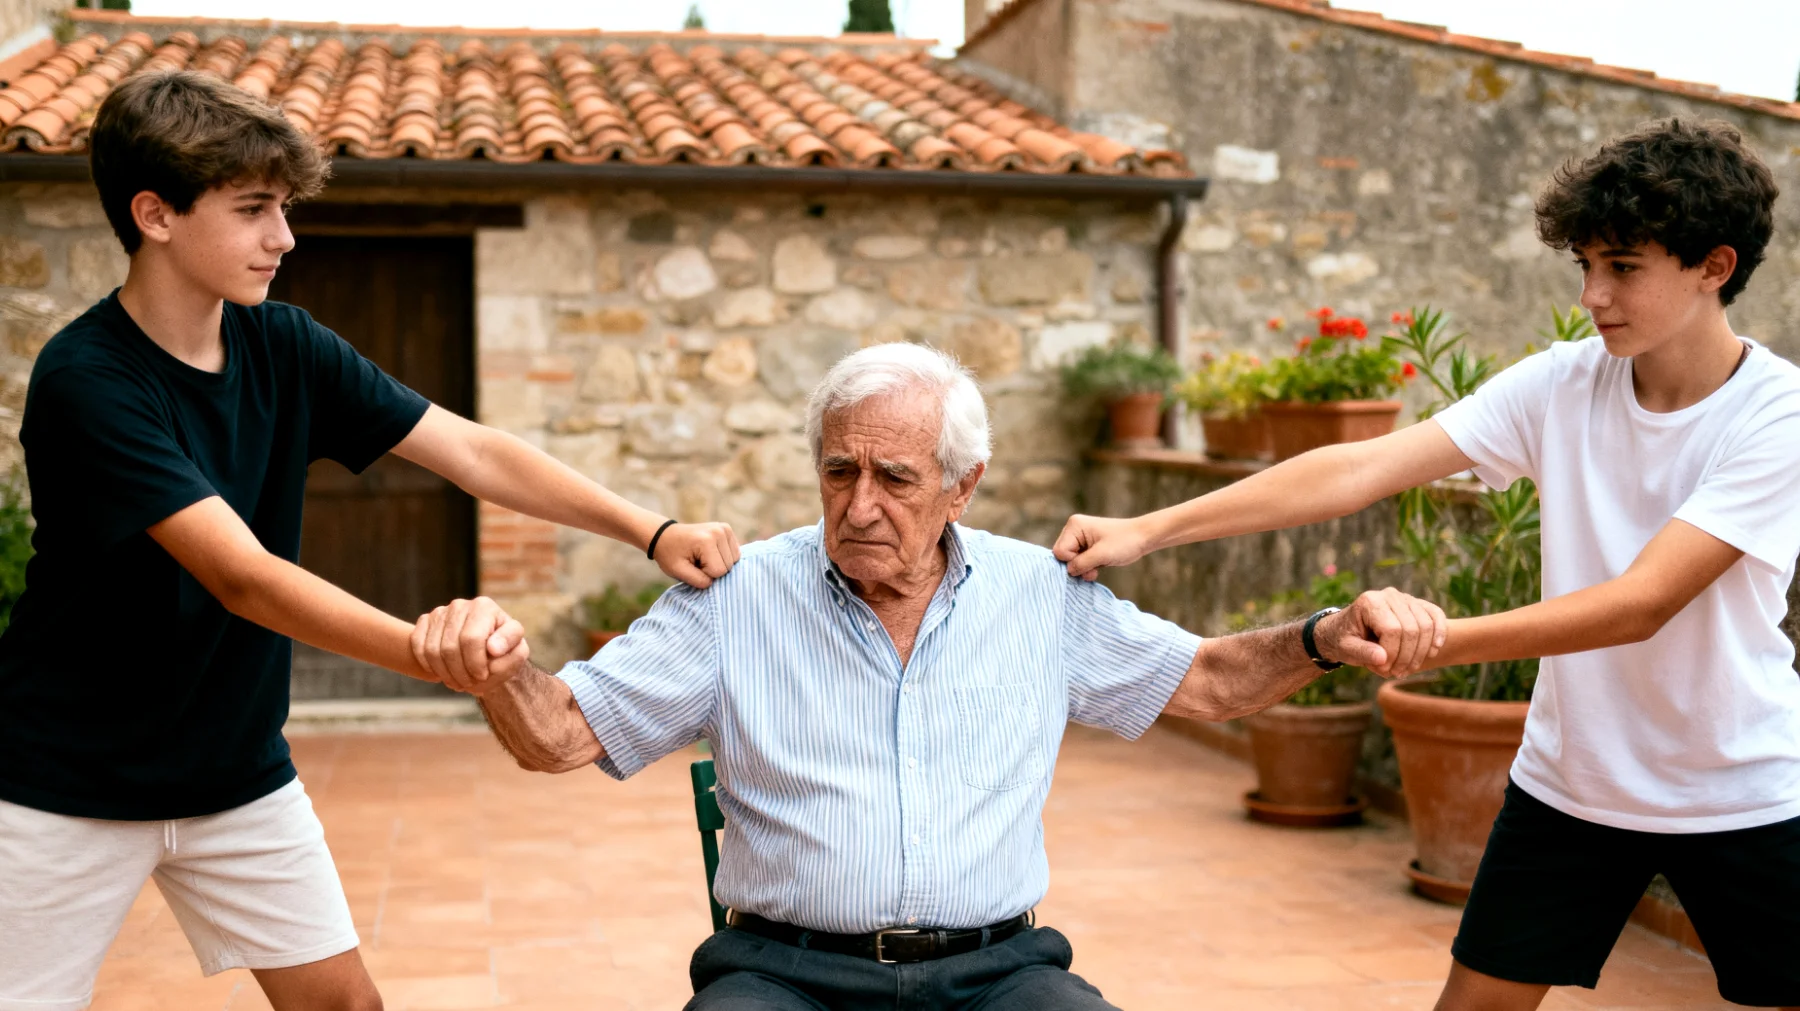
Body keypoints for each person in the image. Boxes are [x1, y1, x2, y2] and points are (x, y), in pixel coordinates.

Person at [409, 342, 1449, 1011]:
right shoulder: (735, 596)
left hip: (999, 973)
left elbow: (1213, 683)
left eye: (895, 479)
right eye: (838, 471)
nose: (859, 505)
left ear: (963, 486)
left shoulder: (1038, 595)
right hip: (781, 976)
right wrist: (498, 667)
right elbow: (559, 734)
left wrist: (1322, 634)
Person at [0, 70, 738, 1011]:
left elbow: (470, 448)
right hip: (64, 780)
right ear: (155, 214)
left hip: (234, 772)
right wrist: (436, 655)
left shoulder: (284, 343)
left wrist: (651, 528)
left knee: (347, 1008)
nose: (286, 236)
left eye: (286, 207)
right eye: (255, 209)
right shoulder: (88, 378)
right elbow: (245, 577)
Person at [1052, 119, 1800, 1010]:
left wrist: (1429, 640)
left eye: (1623, 267)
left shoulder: (1775, 415)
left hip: (1741, 792)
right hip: (1573, 784)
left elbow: (1641, 602)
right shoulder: (1563, 383)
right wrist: (1150, 527)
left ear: (1715, 266)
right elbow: (1360, 466)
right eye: (1585, 266)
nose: (1595, 293)